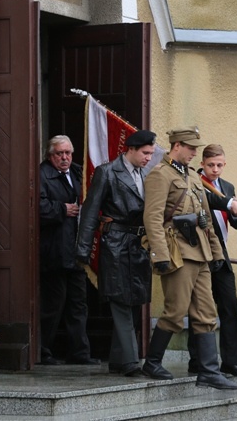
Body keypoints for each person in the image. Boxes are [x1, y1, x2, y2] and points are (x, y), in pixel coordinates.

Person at [141, 126, 237, 390]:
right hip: (177, 251)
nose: (195, 152)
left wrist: (216, 252)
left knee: (206, 313)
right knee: (175, 311)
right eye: (191, 148)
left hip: (201, 252)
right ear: (176, 146)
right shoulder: (159, 175)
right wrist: (159, 254)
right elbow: (152, 217)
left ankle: (208, 371)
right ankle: (152, 362)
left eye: (196, 148)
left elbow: (206, 218)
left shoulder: (194, 179)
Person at [76, 130, 156, 376]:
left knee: (134, 303)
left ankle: (118, 360)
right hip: (116, 244)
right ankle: (132, 362)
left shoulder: (145, 175)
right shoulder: (107, 172)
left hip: (138, 245)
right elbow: (90, 211)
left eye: (151, 154)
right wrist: (83, 249)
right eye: (145, 153)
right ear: (130, 149)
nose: (148, 158)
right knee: (121, 301)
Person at [187, 144, 237, 377]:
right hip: (200, 250)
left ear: (225, 164)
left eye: (220, 165)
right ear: (202, 163)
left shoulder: (227, 187)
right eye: (211, 165)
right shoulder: (193, 181)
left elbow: (236, 222)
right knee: (200, 306)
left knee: (230, 305)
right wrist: (226, 203)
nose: (215, 169)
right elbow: (207, 205)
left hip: (221, 252)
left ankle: (232, 362)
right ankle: (197, 361)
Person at [39, 135, 99, 365]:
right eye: (59, 154)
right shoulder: (42, 174)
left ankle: (80, 353)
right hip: (54, 249)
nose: (64, 158)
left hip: (76, 250)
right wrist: (61, 209)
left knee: (78, 303)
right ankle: (43, 351)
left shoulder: (78, 172)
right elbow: (35, 205)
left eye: (68, 153)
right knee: (53, 304)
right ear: (49, 154)